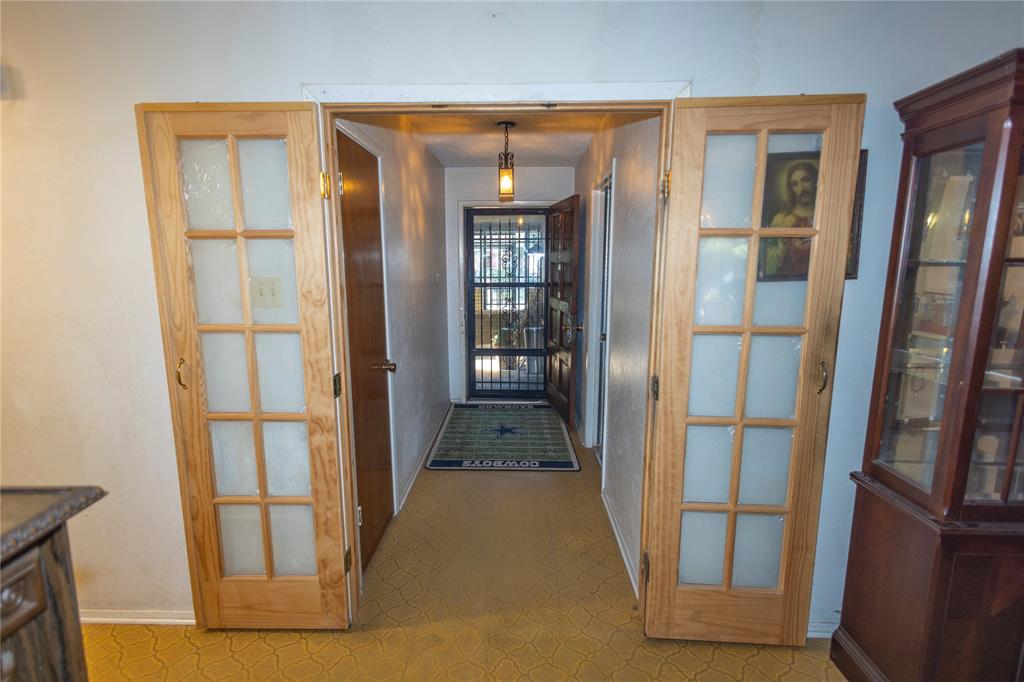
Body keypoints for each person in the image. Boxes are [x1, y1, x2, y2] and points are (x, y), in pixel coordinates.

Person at [769, 161, 818, 227]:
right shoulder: (781, 219)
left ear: (816, 181)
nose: (801, 189)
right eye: (795, 184)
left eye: (806, 180)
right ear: (791, 189)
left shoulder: (827, 214)